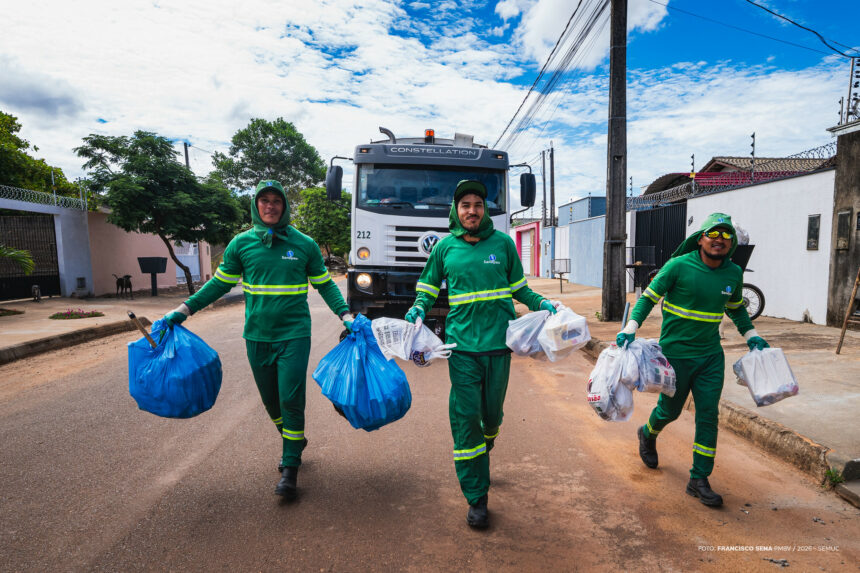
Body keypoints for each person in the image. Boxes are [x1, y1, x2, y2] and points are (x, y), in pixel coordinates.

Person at [163, 180, 353, 500]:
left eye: (276, 200)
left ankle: (290, 465)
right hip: (256, 337)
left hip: (294, 335)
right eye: (263, 200)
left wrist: (346, 315)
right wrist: (181, 311)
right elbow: (219, 285)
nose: (270, 206)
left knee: (291, 399)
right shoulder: (241, 244)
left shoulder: (304, 244)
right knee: (271, 402)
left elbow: (326, 285)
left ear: (284, 206)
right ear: (255, 205)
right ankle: (294, 439)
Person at [405, 180, 560, 529]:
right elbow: (428, 288)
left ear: (484, 210)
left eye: (477, 204)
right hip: (461, 348)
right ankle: (477, 495)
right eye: (465, 205)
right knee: (465, 419)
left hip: (498, 346)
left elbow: (520, 288)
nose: (471, 210)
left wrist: (543, 304)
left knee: (491, 417)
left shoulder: (503, 244)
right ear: (456, 211)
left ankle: (487, 440)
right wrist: (417, 309)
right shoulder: (445, 248)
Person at [616, 213, 768, 507]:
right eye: (714, 234)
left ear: (732, 243)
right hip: (675, 356)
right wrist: (630, 327)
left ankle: (698, 479)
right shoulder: (678, 266)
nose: (719, 240)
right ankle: (648, 434)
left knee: (708, 415)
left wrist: (751, 336)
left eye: (726, 236)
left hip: (710, 357)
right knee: (669, 412)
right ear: (701, 238)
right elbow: (648, 298)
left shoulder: (733, 274)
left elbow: (735, 308)